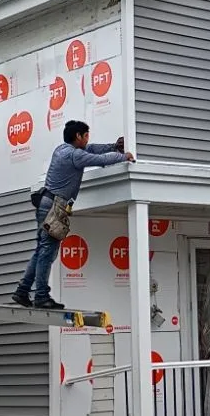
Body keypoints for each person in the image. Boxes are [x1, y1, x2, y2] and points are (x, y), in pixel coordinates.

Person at [12, 120, 135, 309]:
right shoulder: (75, 156)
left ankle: (22, 291)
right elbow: (99, 159)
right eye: (86, 136)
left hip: (46, 203)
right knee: (47, 252)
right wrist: (124, 156)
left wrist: (113, 146)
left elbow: (92, 149)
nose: (88, 140)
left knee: (41, 250)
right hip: (54, 206)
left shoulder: (61, 149)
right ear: (78, 136)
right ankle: (41, 296)